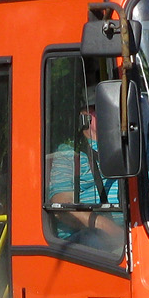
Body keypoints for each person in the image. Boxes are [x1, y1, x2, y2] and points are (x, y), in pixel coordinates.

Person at [46, 92, 123, 245]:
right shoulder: (69, 154)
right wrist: (113, 231)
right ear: (84, 117)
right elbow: (62, 207)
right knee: (93, 240)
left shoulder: (135, 148)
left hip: (144, 231)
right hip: (88, 242)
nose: (112, 113)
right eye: (102, 108)